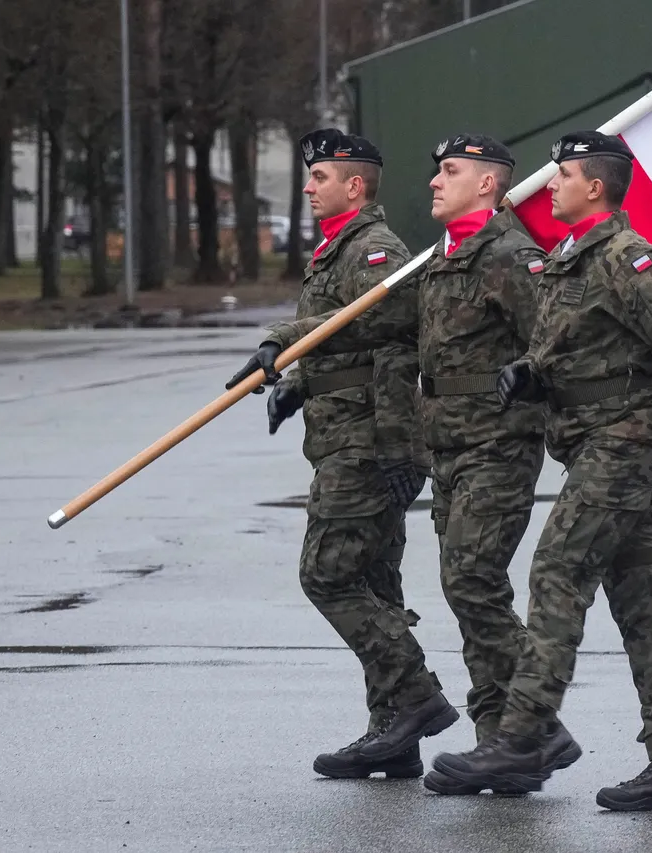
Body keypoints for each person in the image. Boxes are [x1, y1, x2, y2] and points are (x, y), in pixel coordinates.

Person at [429, 130, 652, 811]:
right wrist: (531, 375)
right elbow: (575, 348)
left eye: (562, 174)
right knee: (640, 602)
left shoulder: (631, 258)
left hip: (630, 444)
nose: (549, 184)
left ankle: (523, 735)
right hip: (595, 443)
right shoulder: (568, 262)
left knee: (558, 569)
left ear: (595, 186)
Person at [230, 133, 581, 795]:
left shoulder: (490, 254)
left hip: (483, 442)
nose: (434, 182)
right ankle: (490, 739)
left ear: (487, 183)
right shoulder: (441, 259)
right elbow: (377, 330)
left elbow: (552, 341)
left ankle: (516, 724)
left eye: (450, 171)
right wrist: (297, 372)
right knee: (449, 585)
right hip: (446, 440)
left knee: (452, 580)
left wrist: (398, 444)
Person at [225, 128, 458, 780]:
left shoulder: (376, 251)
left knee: (326, 575)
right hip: (348, 435)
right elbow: (346, 344)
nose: (308, 186)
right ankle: (394, 733)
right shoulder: (338, 250)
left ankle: (414, 696)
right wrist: (298, 385)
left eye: (320, 177)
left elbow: (383, 323)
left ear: (355, 185)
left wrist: (281, 338)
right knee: (375, 584)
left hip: (368, 443)